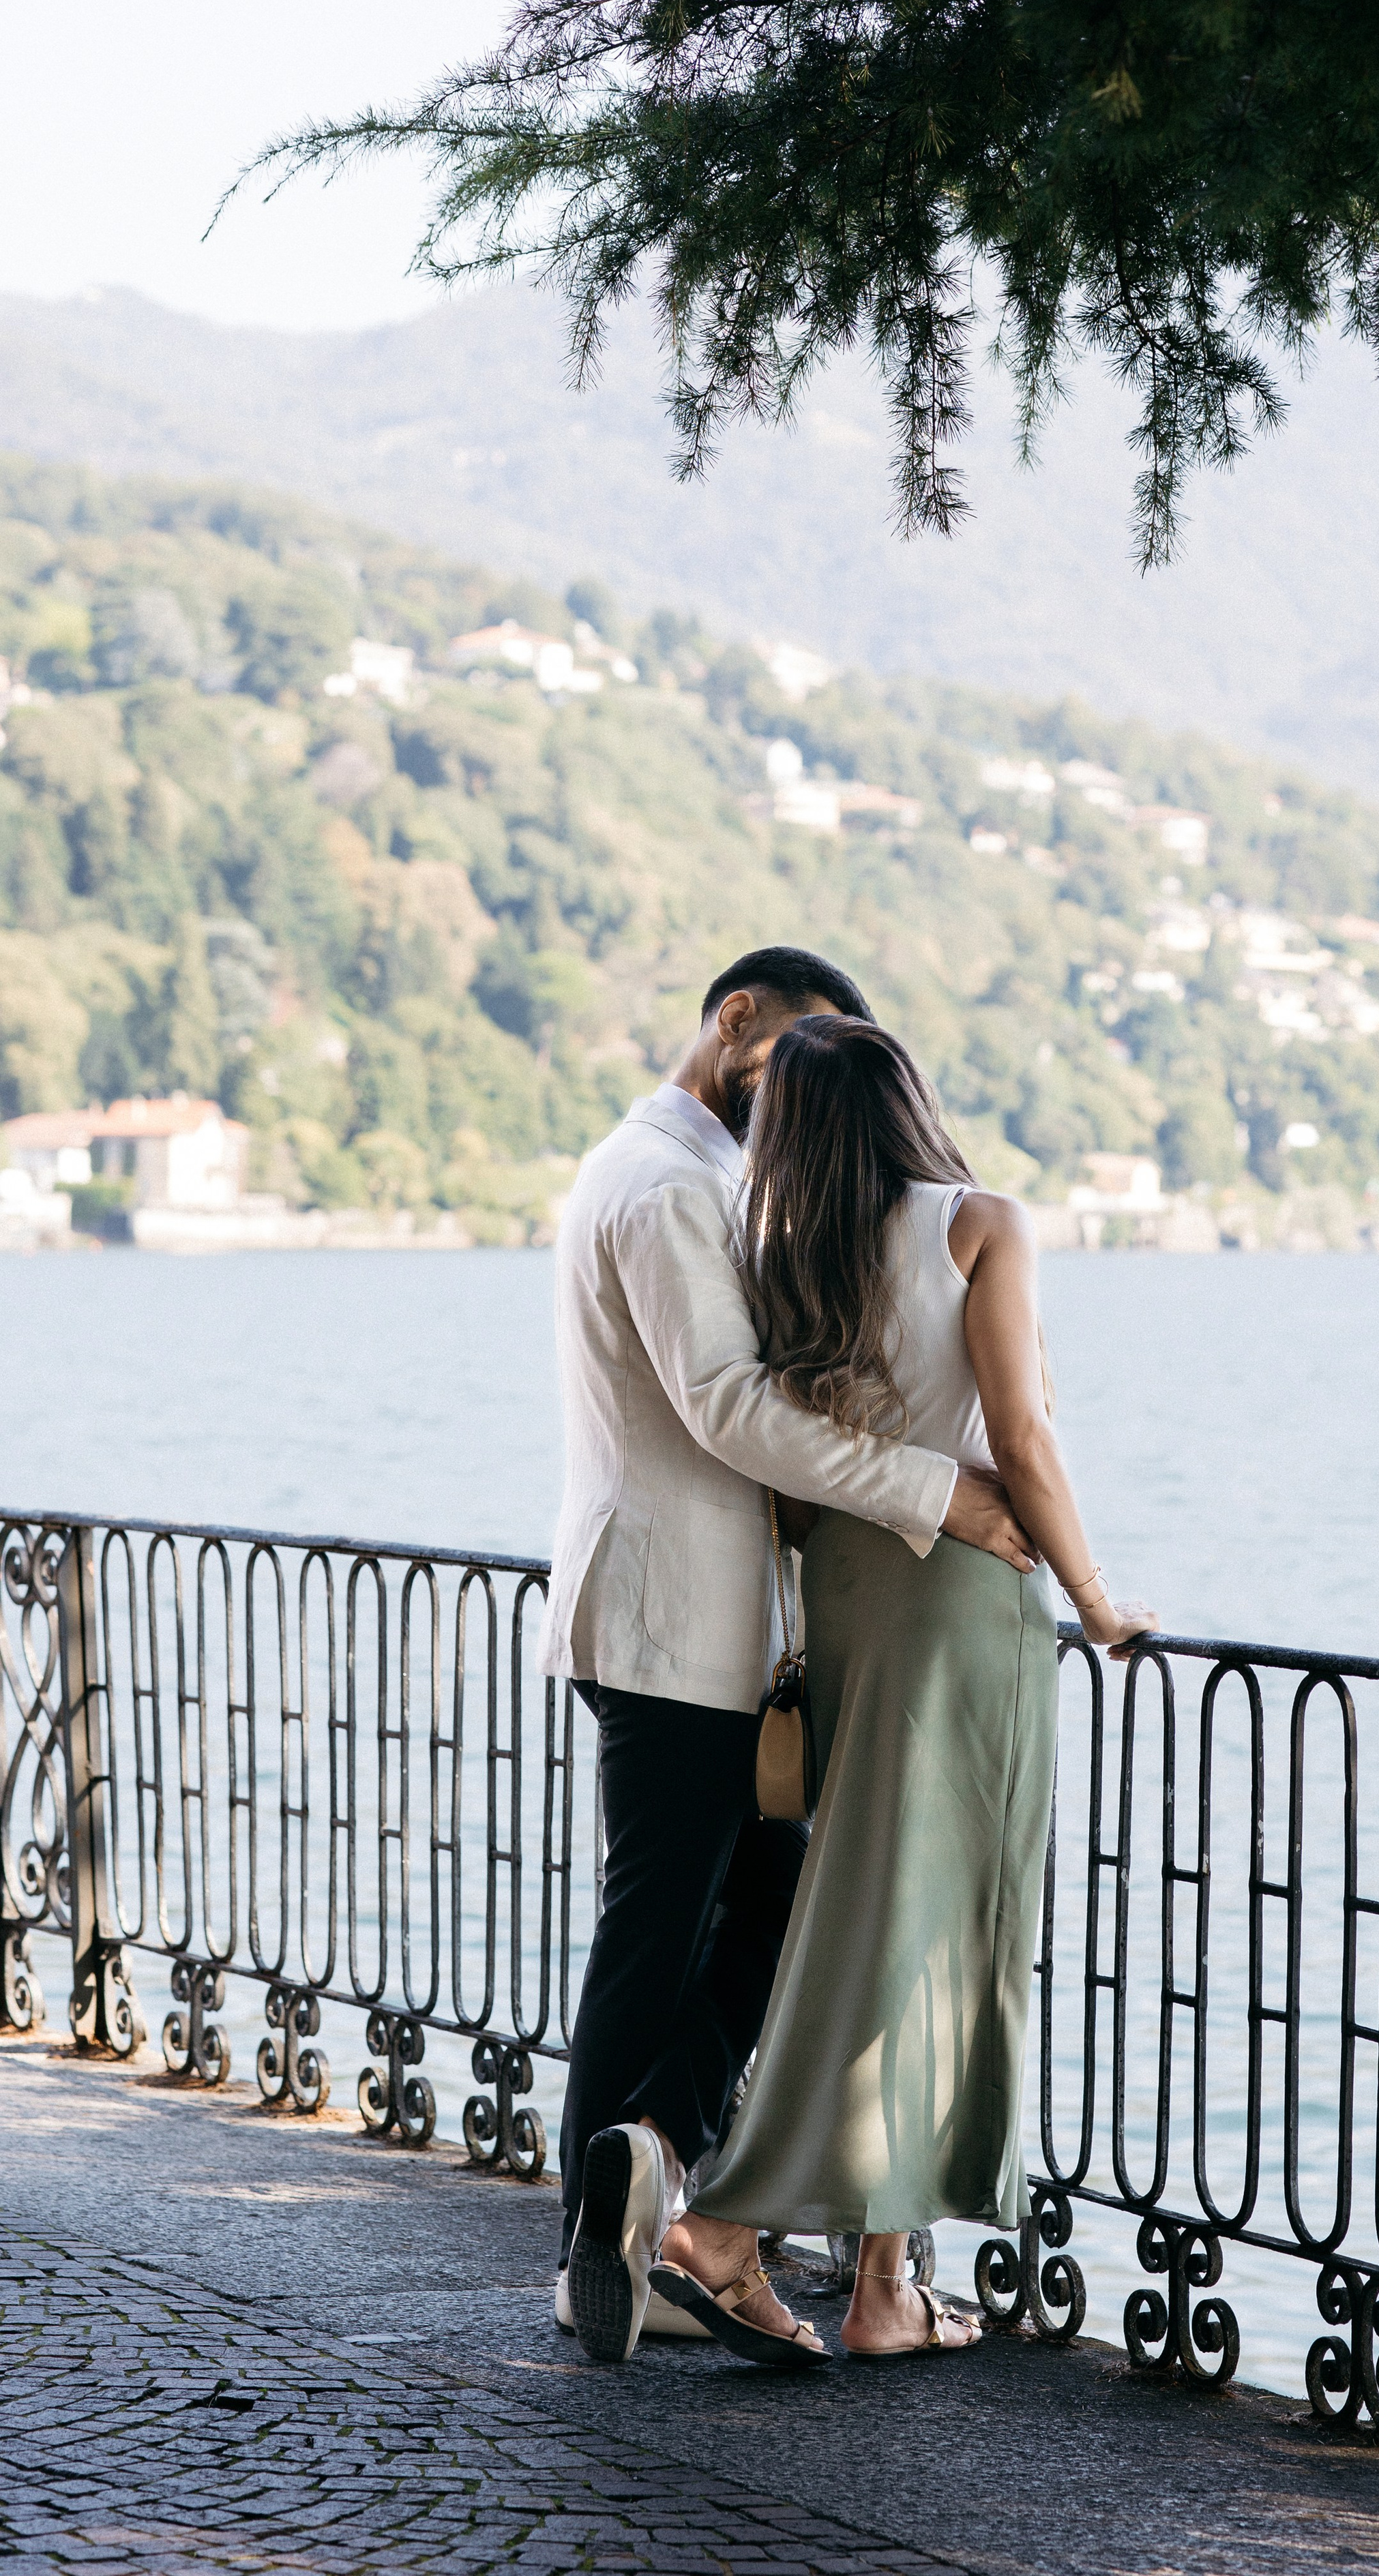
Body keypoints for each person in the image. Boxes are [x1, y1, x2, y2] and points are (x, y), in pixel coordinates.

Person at [544, 948, 1037, 2366]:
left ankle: (660, 2176)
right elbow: (724, 1409)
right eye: (789, 1057)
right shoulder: (663, 1185)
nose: (798, 1097)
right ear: (733, 1020)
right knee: (659, 1933)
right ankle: (602, 2245)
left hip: (706, 1623)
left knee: (754, 1907)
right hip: (668, 1622)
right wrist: (934, 1487)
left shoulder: (688, 1180)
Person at [651, 1015, 1157, 2362]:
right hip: (963, 1586)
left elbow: (776, 1457)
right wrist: (1097, 1601)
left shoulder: (779, 1251)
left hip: (853, 1585)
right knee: (921, 1921)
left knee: (888, 1898)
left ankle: (882, 2287)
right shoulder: (978, 1222)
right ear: (907, 1101)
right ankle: (726, 2218)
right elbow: (1024, 1436)